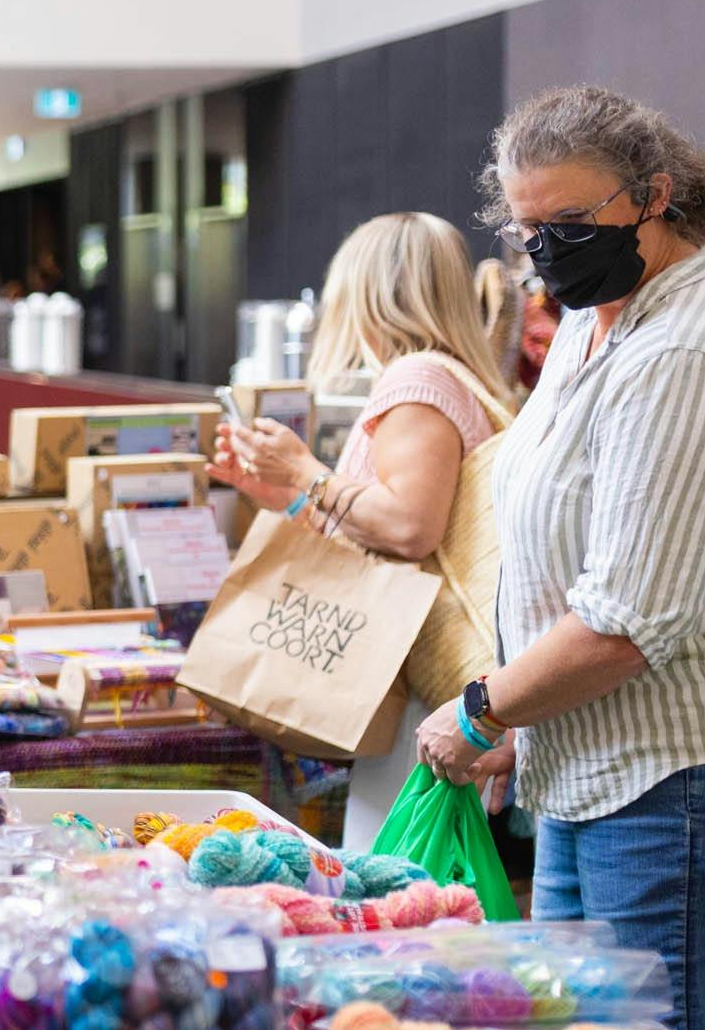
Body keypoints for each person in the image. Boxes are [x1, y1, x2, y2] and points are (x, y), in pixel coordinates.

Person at [414, 85, 705, 1030]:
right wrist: (520, 715)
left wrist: (481, 706)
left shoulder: (688, 356)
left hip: (679, 779)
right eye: (524, 226)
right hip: (595, 766)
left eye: (571, 223)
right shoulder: (601, 321)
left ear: (654, 195)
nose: (545, 249)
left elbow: (625, 623)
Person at [205, 212, 514, 844]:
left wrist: (305, 469)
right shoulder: (463, 379)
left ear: (365, 293)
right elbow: (382, 529)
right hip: (430, 684)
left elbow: (408, 528)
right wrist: (289, 493)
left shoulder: (417, 380)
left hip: (419, 682)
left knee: (396, 886)